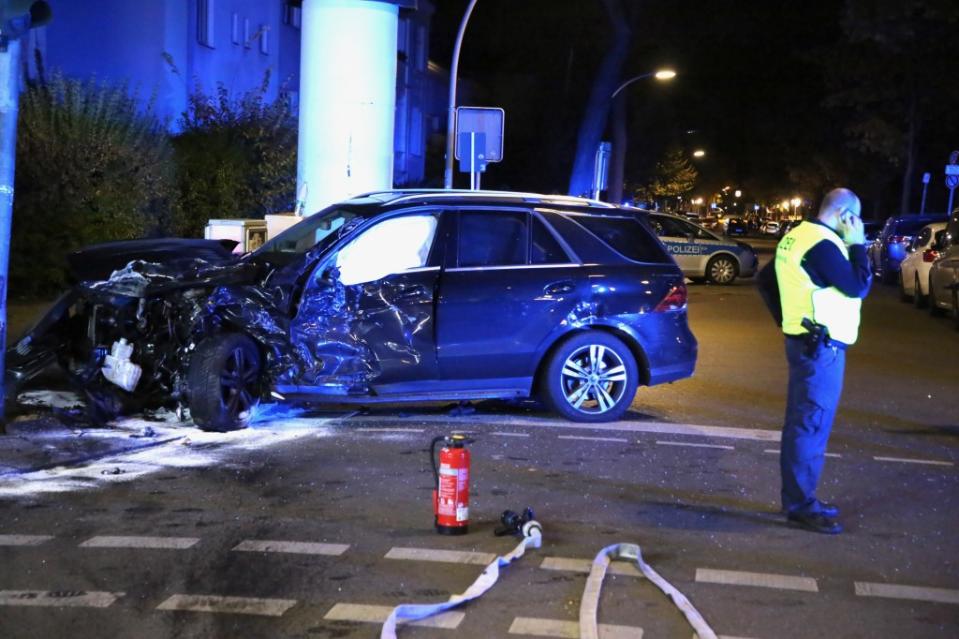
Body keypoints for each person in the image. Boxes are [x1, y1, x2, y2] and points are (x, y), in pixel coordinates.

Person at [774, 188, 871, 534]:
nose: (856, 224)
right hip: (820, 347)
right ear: (845, 215)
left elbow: (766, 281)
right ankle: (801, 506)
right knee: (810, 425)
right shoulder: (823, 244)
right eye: (854, 218)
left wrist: (792, 323)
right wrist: (858, 243)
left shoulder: (797, 235)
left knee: (803, 422)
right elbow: (859, 284)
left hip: (807, 341)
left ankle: (798, 499)